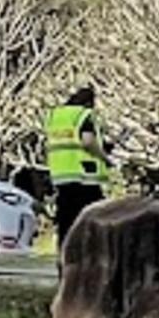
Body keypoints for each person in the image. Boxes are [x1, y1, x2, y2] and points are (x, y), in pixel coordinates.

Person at [45, 87, 110, 262]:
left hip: (61, 176)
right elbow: (87, 141)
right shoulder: (84, 115)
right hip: (84, 177)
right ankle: (92, 257)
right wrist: (104, 156)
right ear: (89, 102)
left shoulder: (55, 116)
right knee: (95, 218)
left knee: (66, 221)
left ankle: (64, 259)